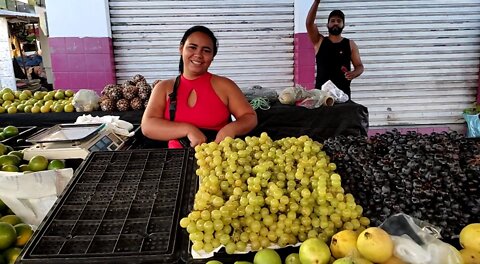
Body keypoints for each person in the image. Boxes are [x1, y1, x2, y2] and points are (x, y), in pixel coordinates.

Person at [142, 25, 258, 148]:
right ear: (181, 49)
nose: (198, 54)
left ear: (213, 57)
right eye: (192, 47)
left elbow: (249, 117)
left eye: (206, 50)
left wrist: (231, 129)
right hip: (175, 161)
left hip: (217, 160)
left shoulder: (225, 86)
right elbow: (148, 126)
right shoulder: (163, 88)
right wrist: (188, 129)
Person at [306, 0, 364, 99]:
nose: (335, 23)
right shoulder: (319, 41)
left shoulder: (350, 44)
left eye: (339, 21)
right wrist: (317, 1)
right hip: (321, 96)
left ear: (343, 25)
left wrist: (354, 73)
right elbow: (309, 23)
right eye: (332, 21)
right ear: (327, 25)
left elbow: (359, 66)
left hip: (343, 95)